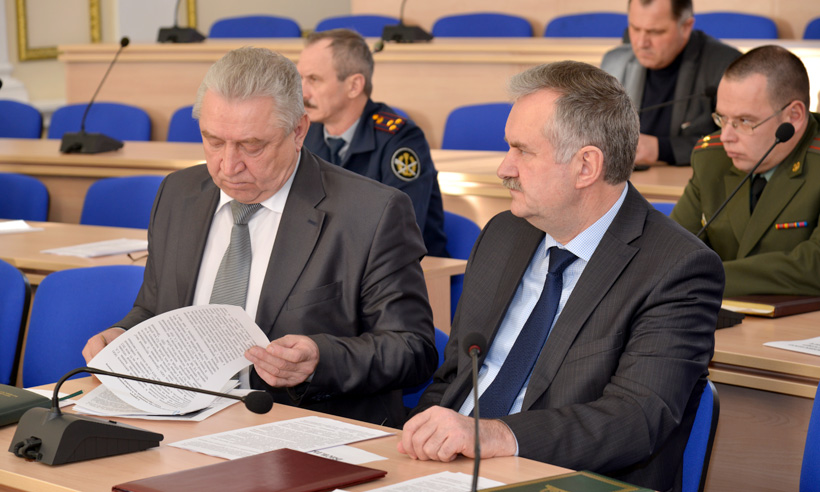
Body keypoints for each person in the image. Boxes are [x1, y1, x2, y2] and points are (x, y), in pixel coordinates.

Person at [398, 60, 724, 492]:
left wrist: (498, 436)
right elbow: (455, 378)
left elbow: (636, 417)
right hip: (450, 470)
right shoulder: (502, 233)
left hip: (568, 478)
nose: (504, 168)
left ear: (586, 166)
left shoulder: (676, 268)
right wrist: (416, 444)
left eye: (522, 151)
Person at [81, 47, 438, 428]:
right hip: (178, 421)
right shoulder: (177, 193)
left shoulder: (371, 213)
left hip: (303, 425)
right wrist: (123, 334)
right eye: (213, 141)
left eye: (251, 146)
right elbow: (154, 308)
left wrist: (321, 359)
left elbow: (412, 348)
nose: (228, 165)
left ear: (298, 131)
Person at [671, 45, 820, 297]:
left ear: (793, 116)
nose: (726, 136)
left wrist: (702, 277)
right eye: (722, 118)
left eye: (744, 121)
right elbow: (671, 249)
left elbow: (814, 267)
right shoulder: (711, 158)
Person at [297, 28, 448, 257]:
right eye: (300, 78)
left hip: (402, 270)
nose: (302, 92)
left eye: (314, 80)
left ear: (354, 86)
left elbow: (397, 229)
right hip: (330, 263)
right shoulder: (305, 133)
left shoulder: (400, 140)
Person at [601, 0, 740, 166]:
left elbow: (739, 139)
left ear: (686, 27)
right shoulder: (614, 63)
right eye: (635, 28)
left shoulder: (725, 66)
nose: (641, 43)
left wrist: (662, 149)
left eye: (655, 32)